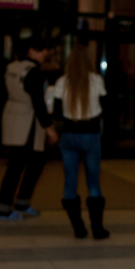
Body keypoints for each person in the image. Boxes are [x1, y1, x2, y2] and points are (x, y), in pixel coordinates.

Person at [0, 36, 58, 220]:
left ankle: (19, 203)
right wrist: (49, 127)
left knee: (25, 163)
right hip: (27, 122)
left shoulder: (11, 67)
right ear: (31, 50)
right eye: (42, 49)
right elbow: (38, 102)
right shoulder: (33, 71)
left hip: (12, 116)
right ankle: (6, 208)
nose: (45, 53)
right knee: (23, 165)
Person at [53, 44, 109, 239]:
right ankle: (97, 229)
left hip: (69, 134)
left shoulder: (61, 82)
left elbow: (57, 113)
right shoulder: (96, 80)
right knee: (93, 182)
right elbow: (106, 106)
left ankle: (78, 228)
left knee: (70, 182)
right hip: (91, 134)